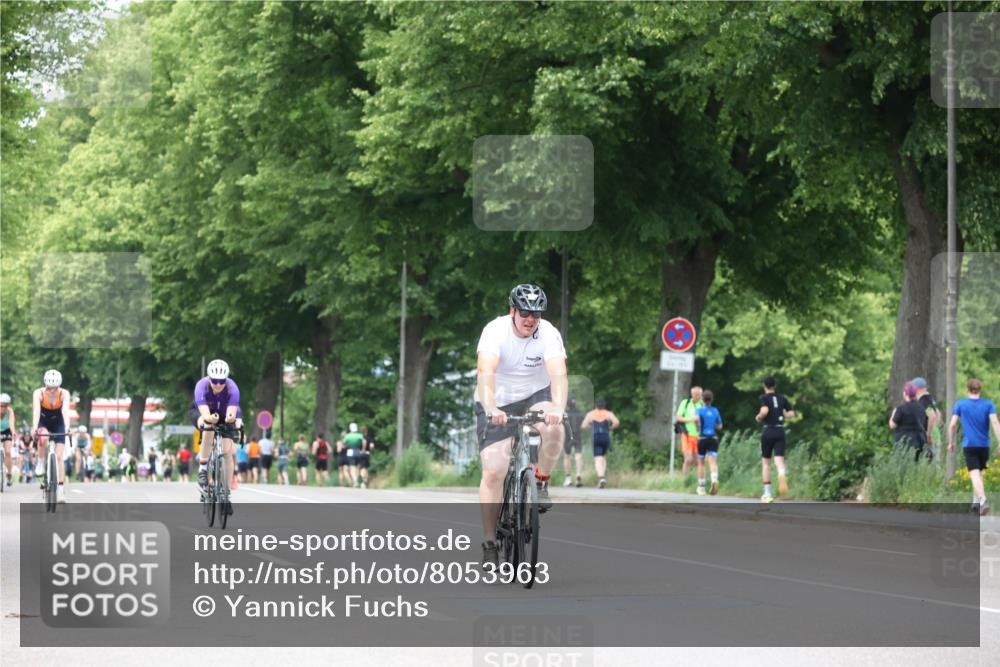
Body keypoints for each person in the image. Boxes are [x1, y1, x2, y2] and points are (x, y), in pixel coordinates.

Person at [476, 284, 568, 568]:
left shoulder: (548, 333)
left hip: (534, 395)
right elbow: (485, 372)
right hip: (497, 398)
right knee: (494, 470)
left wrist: (558, 408)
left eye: (536, 314)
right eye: (525, 312)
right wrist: (491, 408)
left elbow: (559, 375)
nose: (531, 319)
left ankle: (541, 480)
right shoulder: (495, 331)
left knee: (555, 428)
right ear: (512, 311)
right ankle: (490, 541)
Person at [189, 359, 243, 496]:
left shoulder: (232, 388)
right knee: (207, 425)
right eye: (214, 381)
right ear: (209, 379)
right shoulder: (201, 386)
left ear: (226, 379)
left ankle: (226, 491)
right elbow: (206, 414)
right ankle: (203, 466)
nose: (218, 385)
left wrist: (232, 419)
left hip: (224, 413)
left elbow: (232, 413)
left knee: (227, 451)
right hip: (203, 412)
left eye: (221, 381)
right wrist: (210, 419)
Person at [948, 378, 1000, 515]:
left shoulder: (961, 404)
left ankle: (982, 500)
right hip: (984, 445)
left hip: (969, 444)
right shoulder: (988, 404)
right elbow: (995, 422)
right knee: (979, 472)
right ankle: (975, 502)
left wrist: (951, 442)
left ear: (967, 390)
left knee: (974, 473)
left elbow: (953, 425)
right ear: (980, 390)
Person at [32, 370, 72, 503]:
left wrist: (67, 427)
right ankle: (41, 461)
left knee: (60, 456)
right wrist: (34, 427)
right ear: (45, 384)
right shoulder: (38, 393)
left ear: (59, 386)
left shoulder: (64, 393)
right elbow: (37, 411)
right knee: (43, 437)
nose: (52, 391)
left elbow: (65, 411)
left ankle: (60, 490)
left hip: (58, 423)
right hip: (43, 421)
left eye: (55, 388)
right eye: (49, 387)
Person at [754, 376, 796, 502]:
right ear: (775, 386)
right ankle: (781, 474)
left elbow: (765, 410)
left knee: (766, 463)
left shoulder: (764, 397)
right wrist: (782, 413)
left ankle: (767, 494)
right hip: (780, 431)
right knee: (779, 459)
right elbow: (791, 413)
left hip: (768, 430)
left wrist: (759, 417)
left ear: (764, 386)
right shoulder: (782, 397)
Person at [581, 397, 620, 488]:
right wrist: (610, 428)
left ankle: (601, 477)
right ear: (604, 405)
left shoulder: (591, 414)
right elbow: (617, 422)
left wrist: (591, 429)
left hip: (596, 437)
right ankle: (602, 477)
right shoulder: (608, 413)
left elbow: (583, 425)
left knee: (598, 458)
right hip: (606, 436)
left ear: (596, 404)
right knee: (603, 457)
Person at [694, 390, 723, 496]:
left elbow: (697, 421)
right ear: (712, 399)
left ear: (702, 399)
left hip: (702, 438)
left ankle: (701, 488)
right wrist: (712, 425)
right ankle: (714, 479)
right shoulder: (715, 411)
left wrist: (698, 426)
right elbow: (720, 426)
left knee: (701, 463)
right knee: (713, 462)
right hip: (713, 438)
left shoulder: (699, 410)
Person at [889, 382, 928, 462]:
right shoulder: (921, 408)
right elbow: (925, 425)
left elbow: (892, 425)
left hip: (904, 442)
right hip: (919, 440)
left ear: (905, 394)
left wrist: (893, 414)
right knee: (916, 465)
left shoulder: (901, 409)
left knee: (903, 466)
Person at [676, 386, 704, 478]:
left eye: (699, 395)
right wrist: (691, 419)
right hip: (687, 434)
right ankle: (684, 480)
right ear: (692, 394)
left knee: (698, 461)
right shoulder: (686, 403)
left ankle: (699, 482)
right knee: (688, 459)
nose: (698, 396)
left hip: (698, 435)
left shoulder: (703, 405)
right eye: (696, 394)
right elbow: (678, 417)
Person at [911, 377, 941, 460]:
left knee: (930, 464)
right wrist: (935, 427)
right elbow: (938, 414)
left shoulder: (924, 400)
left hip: (930, 436)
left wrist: (929, 433)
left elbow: (932, 416)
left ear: (917, 389)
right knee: (936, 463)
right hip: (936, 433)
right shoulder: (930, 398)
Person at [561, 398, 584, 487]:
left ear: (567, 405)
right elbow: (583, 424)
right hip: (577, 436)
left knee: (567, 456)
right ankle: (578, 474)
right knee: (578, 455)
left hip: (567, 437)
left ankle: (568, 478)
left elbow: (561, 423)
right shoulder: (579, 412)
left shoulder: (564, 413)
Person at [0, 393, 17, 487]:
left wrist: (13, 433)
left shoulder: (10, 411)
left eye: (5, 405)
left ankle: (9, 474)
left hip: (6, 431)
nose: (3, 408)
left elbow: (11, 424)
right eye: (1, 405)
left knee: (8, 452)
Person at [343, 423, 365, 488]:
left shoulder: (347, 436)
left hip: (350, 451)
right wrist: (363, 449)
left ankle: (355, 481)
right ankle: (358, 480)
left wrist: (346, 446)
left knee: (352, 467)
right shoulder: (360, 435)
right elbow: (364, 442)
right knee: (358, 466)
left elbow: (344, 444)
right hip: (358, 451)